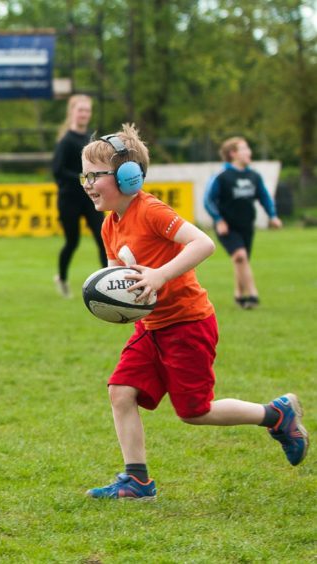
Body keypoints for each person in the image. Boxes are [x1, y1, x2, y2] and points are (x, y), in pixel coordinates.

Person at [79, 124, 308, 500]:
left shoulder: (150, 210)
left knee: (194, 411)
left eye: (94, 175)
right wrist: (115, 304)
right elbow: (115, 276)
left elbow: (203, 243)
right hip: (152, 328)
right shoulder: (109, 225)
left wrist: (160, 275)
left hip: (188, 323)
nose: (87, 184)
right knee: (121, 392)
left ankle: (275, 414)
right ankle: (137, 480)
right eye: (84, 175)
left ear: (127, 176)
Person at [204, 136, 282, 309]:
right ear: (233, 153)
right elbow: (208, 200)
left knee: (241, 260)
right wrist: (219, 220)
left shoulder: (254, 176)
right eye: (244, 148)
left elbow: (264, 197)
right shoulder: (222, 176)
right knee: (240, 256)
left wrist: (273, 216)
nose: (249, 152)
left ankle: (239, 295)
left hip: (247, 226)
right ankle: (253, 295)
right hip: (227, 227)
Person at [51, 94, 107, 298]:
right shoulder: (66, 141)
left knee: (103, 239)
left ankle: (108, 284)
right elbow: (57, 171)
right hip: (69, 200)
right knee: (72, 242)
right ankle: (62, 279)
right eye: (80, 110)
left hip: (91, 199)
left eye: (87, 110)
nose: (84, 114)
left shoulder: (89, 139)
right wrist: (83, 178)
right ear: (72, 112)